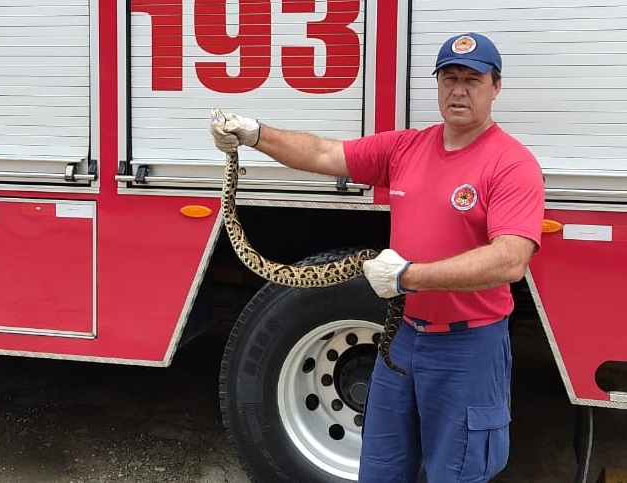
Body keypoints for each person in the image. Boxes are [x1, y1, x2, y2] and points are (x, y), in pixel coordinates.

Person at [210, 32, 544, 483]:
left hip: (469, 348)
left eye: (473, 79)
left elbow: (510, 260)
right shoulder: (407, 148)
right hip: (403, 339)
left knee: (457, 473)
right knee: (381, 468)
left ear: (495, 87)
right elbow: (326, 153)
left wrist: (411, 276)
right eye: (449, 78)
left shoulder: (512, 164)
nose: (459, 90)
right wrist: (256, 134)